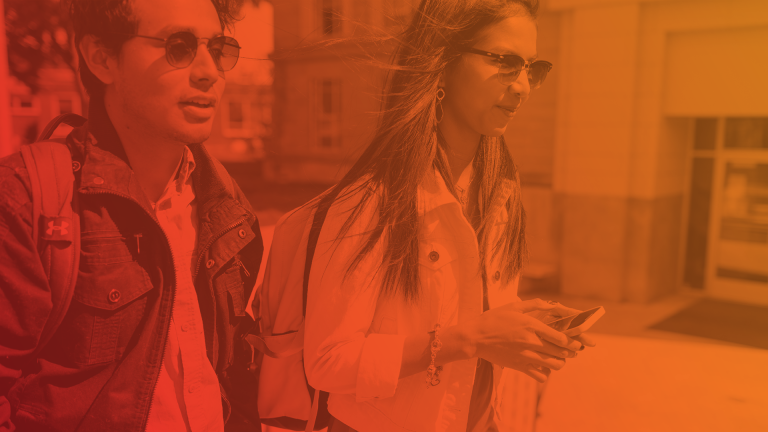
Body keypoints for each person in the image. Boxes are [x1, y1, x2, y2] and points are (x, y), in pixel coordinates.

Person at [291, 0, 597, 431]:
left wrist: (525, 325)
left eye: (533, 67)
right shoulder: (373, 200)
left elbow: (478, 318)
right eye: (506, 62)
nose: (524, 86)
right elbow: (327, 363)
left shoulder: (500, 193)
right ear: (444, 61)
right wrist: (469, 340)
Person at [0, 0, 263, 431]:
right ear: (102, 58)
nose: (209, 72)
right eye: (178, 47)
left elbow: (232, 373)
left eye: (218, 49)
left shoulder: (226, 204)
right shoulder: (27, 199)